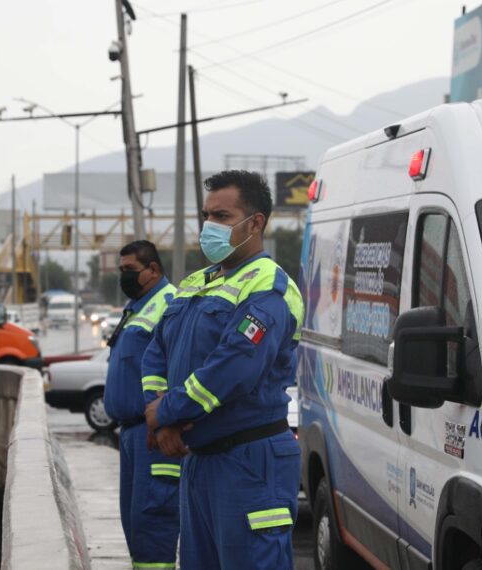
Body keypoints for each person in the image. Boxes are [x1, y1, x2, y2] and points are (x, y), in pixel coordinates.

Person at [143, 170, 303, 569]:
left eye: (222, 217)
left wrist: (166, 413)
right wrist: (160, 416)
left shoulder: (269, 288)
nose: (209, 227)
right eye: (207, 215)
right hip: (198, 460)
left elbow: (233, 367)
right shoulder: (197, 283)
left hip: (249, 461)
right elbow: (156, 353)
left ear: (256, 223)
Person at [101, 240, 181, 569]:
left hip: (153, 434)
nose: (124, 277)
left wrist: (162, 418)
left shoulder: (169, 303)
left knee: (154, 524)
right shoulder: (137, 306)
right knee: (135, 526)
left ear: (153, 270)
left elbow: (176, 367)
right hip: (132, 435)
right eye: (120, 270)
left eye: (130, 270)